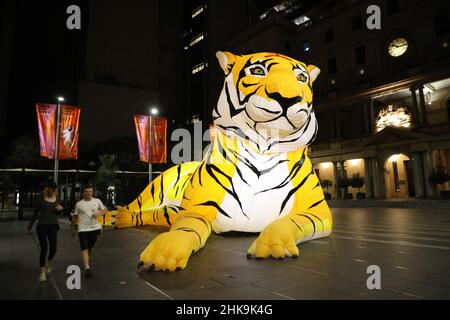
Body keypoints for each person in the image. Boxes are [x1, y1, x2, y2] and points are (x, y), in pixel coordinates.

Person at [27, 182, 64, 282]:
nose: (51, 191)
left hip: (53, 226)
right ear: (47, 189)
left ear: (55, 190)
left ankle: (48, 262)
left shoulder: (57, 199)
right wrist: (29, 227)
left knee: (54, 249)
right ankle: (42, 272)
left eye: (53, 189)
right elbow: (35, 214)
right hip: (42, 226)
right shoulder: (41, 200)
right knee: (44, 248)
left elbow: (57, 213)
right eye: (49, 189)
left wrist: (61, 210)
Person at [71, 184, 107, 277]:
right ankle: (87, 267)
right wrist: (73, 229)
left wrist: (99, 212)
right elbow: (75, 217)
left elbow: (105, 209)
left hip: (94, 228)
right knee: (84, 247)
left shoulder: (97, 201)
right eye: (87, 191)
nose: (88, 193)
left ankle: (87, 260)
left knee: (90, 247)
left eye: (90, 191)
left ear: (92, 192)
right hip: (83, 228)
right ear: (84, 192)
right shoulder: (79, 204)